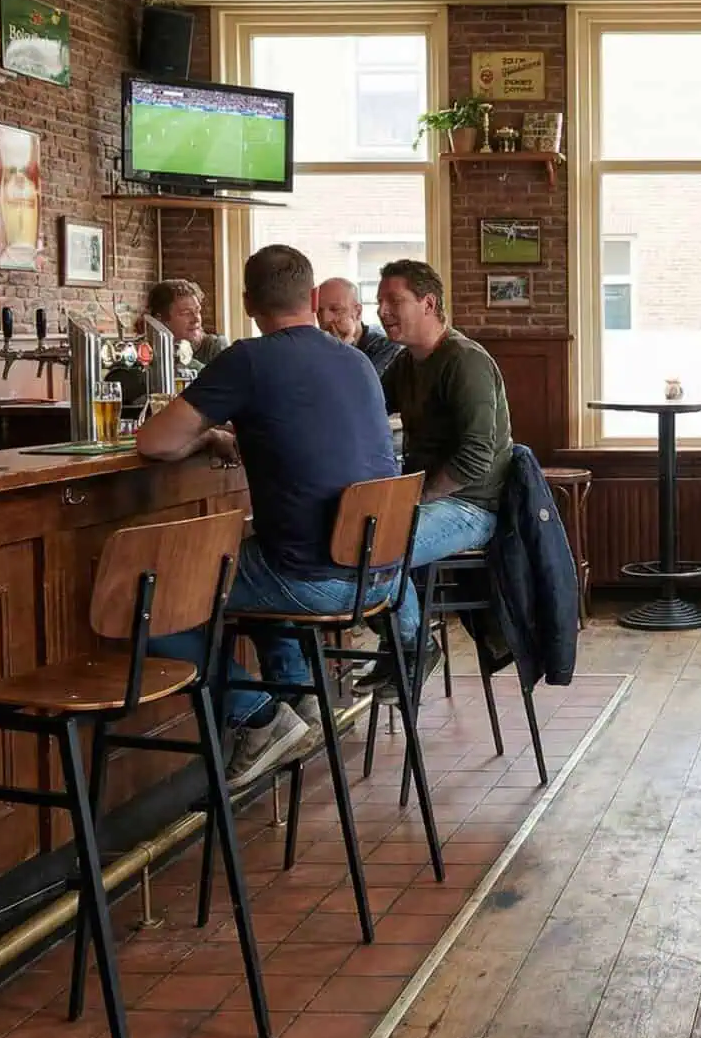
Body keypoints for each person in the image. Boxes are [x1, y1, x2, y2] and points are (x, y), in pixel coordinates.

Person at [135, 245, 401, 789]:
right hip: (380, 571)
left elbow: (155, 442)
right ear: (311, 298)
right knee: (251, 566)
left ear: (248, 302)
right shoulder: (358, 361)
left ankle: (261, 715)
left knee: (145, 602)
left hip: (314, 578)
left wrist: (211, 434)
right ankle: (296, 705)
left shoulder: (248, 359)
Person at [356, 258, 515, 694]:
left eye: (394, 301)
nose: (383, 311)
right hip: (432, 502)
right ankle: (402, 647)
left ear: (428, 303)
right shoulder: (408, 363)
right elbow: (364, 411)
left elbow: (477, 456)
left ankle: (414, 647)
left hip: (472, 506)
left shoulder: (464, 360)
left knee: (374, 546)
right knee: (357, 538)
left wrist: (415, 498)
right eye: (380, 302)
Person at [317, 277, 403, 375]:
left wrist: (344, 349)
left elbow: (361, 385)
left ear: (358, 312)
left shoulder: (386, 348)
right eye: (319, 311)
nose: (325, 319)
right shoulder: (314, 348)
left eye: (335, 309)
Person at [147, 278, 230, 369]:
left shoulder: (214, 346)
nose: (196, 319)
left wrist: (183, 359)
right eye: (186, 313)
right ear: (160, 320)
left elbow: (221, 381)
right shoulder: (146, 350)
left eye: (198, 311)